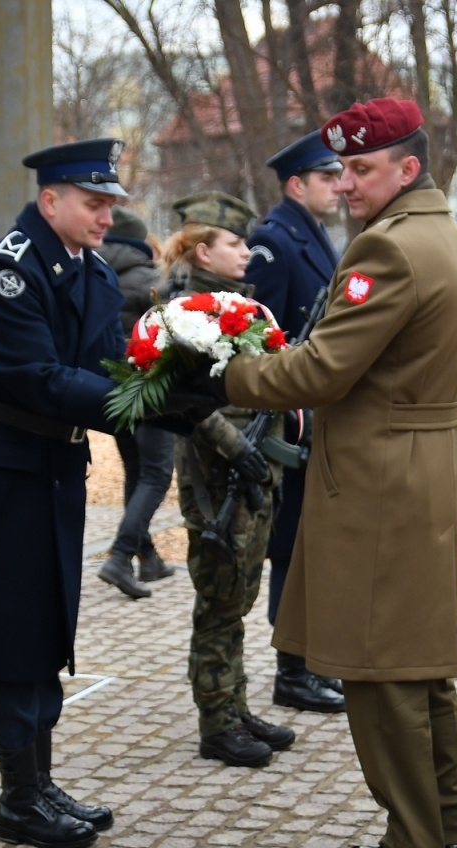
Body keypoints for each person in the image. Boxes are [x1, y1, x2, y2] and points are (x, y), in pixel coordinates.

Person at [174, 98, 457, 848]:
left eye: (362, 168)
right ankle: (443, 832)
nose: (346, 183)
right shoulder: (448, 237)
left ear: (407, 169)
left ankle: (413, 847)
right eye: (341, 169)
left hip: (379, 475)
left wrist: (218, 373)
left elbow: (320, 371)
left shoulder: (389, 251)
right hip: (424, 464)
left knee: (379, 672)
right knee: (422, 666)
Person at [0, 138, 132, 848]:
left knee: (47, 619)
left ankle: (39, 780)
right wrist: (144, 405)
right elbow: (39, 378)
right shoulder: (7, 272)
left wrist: (182, 373)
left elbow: (116, 352)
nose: (106, 216)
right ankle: (18, 798)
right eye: (94, 203)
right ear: (51, 201)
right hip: (1, 465)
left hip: (51, 462)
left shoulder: (90, 269)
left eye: (110, 205)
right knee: (14, 626)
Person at [167, 191, 298, 767]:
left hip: (249, 469)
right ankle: (216, 722)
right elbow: (183, 401)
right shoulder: (181, 313)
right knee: (219, 600)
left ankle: (235, 706)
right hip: (215, 474)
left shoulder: (235, 305)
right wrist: (235, 448)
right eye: (235, 243)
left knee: (238, 598)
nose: (248, 251)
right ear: (203, 249)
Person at [245, 131, 347, 714]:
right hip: (289, 420)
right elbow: (263, 332)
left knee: (310, 543)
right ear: (296, 184)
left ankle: (306, 661)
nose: (337, 186)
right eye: (327, 178)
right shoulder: (274, 241)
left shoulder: (311, 235)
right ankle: (291, 668)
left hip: (313, 416)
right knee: (290, 546)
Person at [97, 207, 178, 599]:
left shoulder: (96, 276)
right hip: (152, 392)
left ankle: (148, 558)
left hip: (117, 393)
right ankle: (120, 556)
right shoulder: (152, 281)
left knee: (136, 471)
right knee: (156, 475)